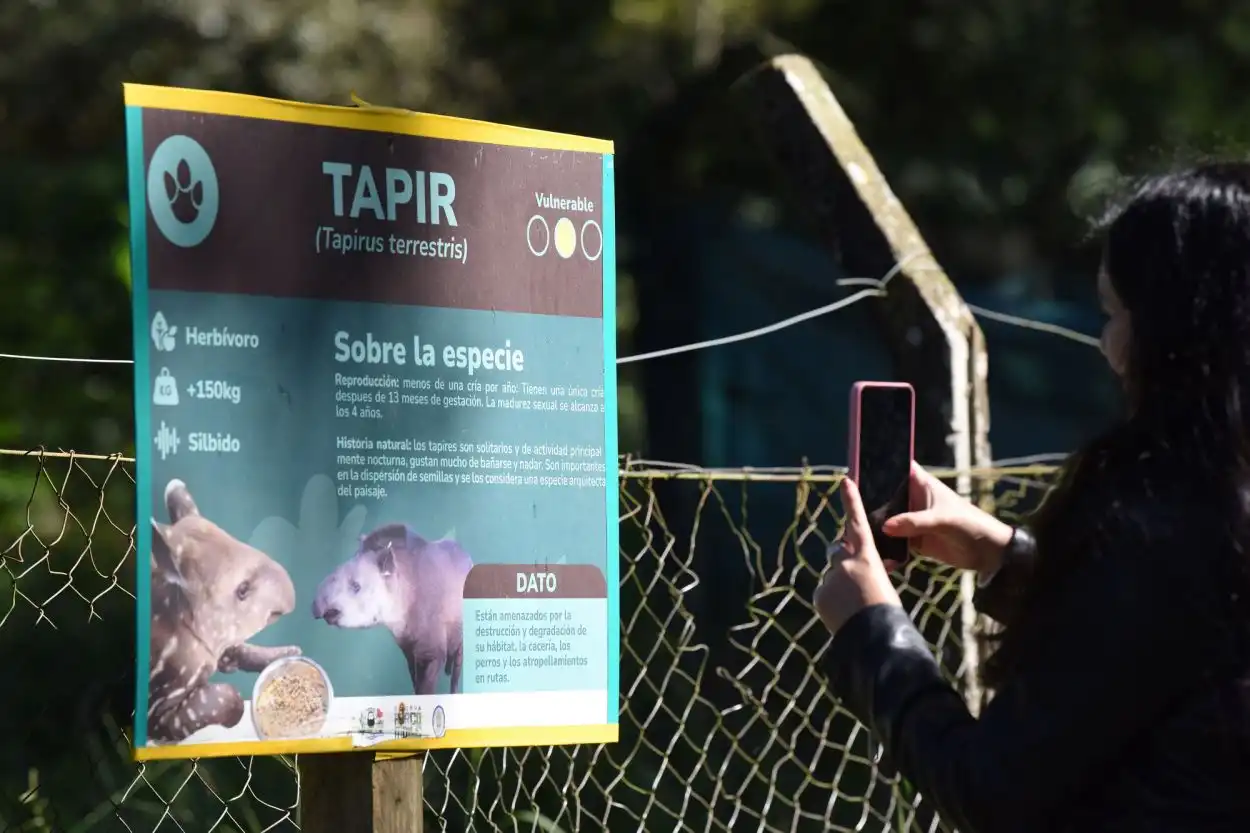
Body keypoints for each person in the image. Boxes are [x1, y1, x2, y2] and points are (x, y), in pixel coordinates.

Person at [814, 163, 1250, 833]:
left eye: (1116, 313)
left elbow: (990, 787)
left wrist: (872, 631)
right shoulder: (1218, 516)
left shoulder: (1160, 526)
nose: (1108, 347)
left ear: (1179, 332)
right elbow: (1175, 647)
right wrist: (1012, 559)